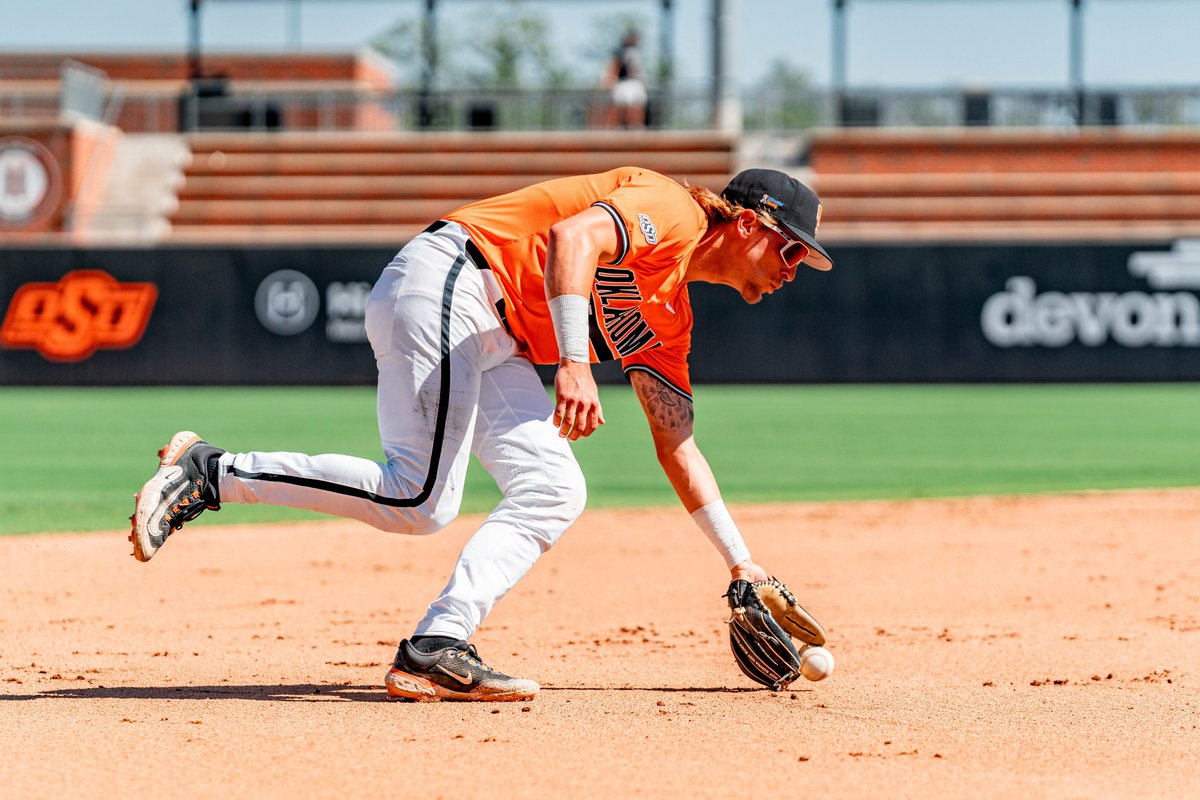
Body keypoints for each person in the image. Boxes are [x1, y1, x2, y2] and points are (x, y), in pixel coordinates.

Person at [129, 166, 833, 703]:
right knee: (419, 497)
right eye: (791, 251)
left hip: (492, 335)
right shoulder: (672, 208)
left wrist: (742, 564)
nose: (792, 270)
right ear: (747, 225)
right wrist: (576, 364)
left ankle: (437, 644)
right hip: (454, 279)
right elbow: (574, 237)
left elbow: (676, 441)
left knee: (552, 488)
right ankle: (211, 471)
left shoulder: (667, 313)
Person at [604, 29, 648, 129]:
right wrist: (610, 80)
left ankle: (636, 129)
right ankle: (614, 130)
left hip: (635, 83)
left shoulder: (636, 52)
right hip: (623, 82)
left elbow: (638, 70)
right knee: (619, 106)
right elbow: (615, 65)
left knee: (636, 105)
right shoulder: (620, 51)